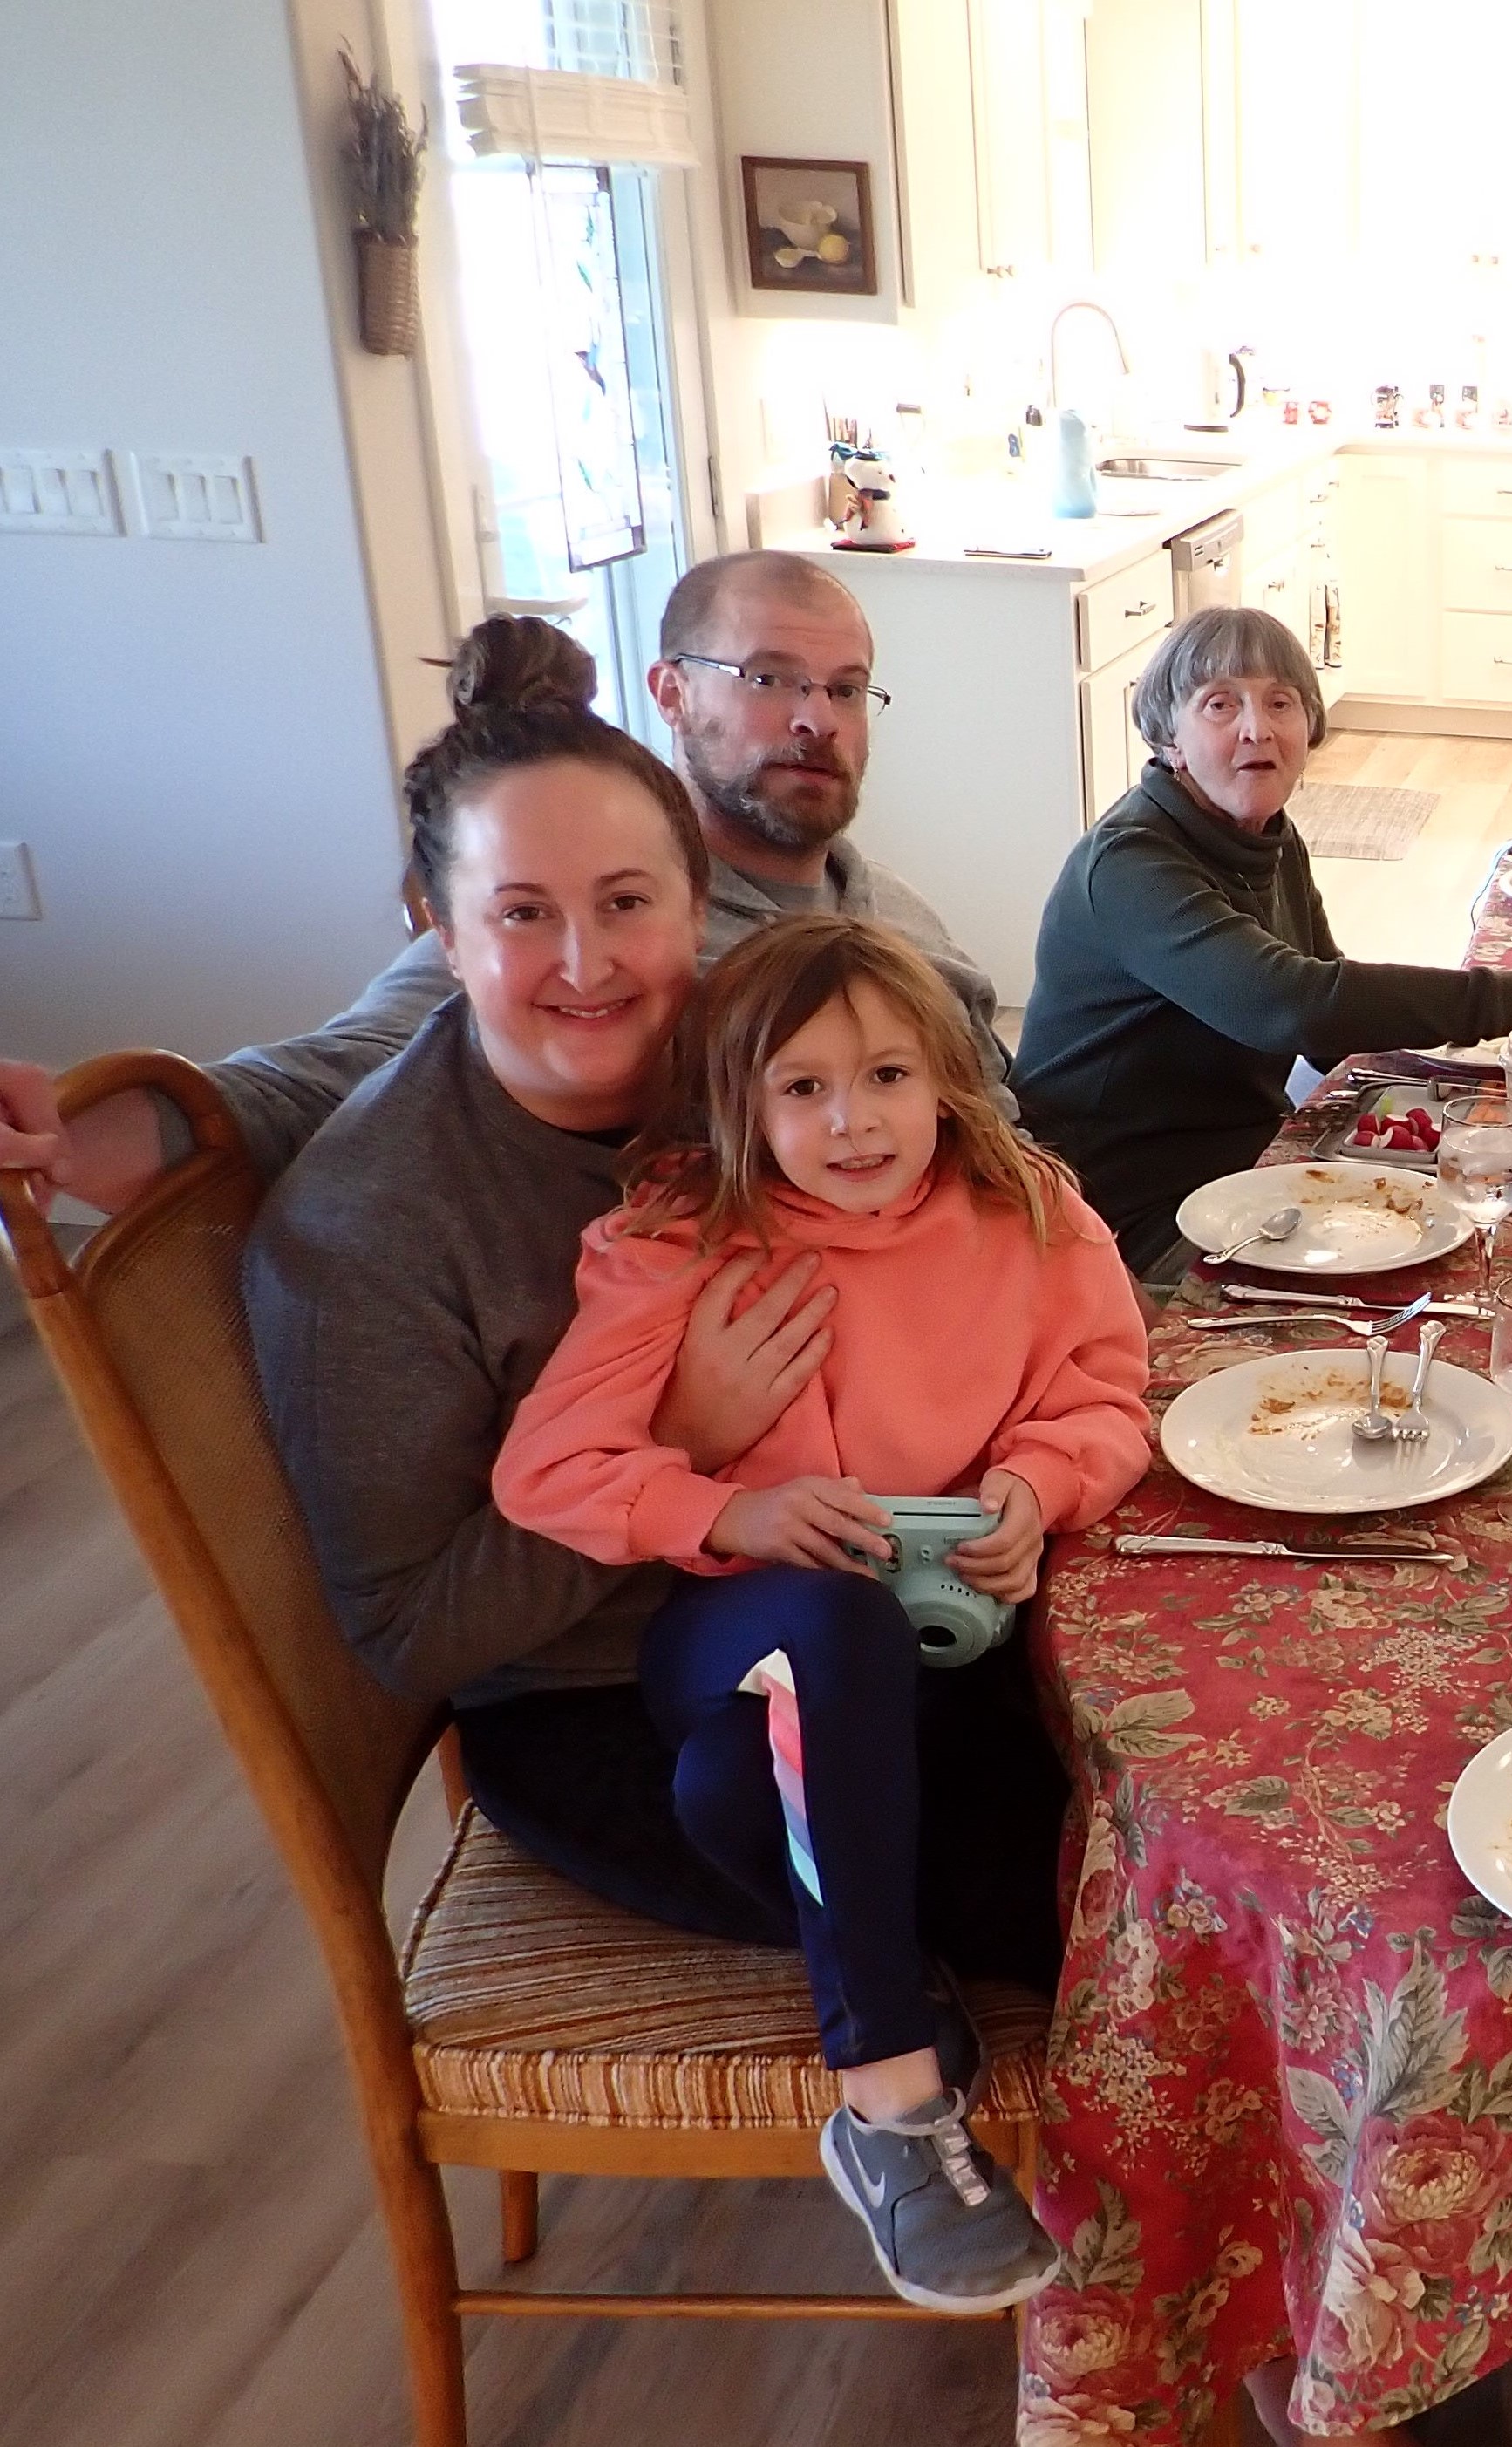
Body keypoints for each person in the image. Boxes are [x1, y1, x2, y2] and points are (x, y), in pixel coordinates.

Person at [241, 621, 1082, 2314]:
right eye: (520, 914)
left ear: (701, 903)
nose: (586, 963)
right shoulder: (373, 1237)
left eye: (627, 901)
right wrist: (683, 1444)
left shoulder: (755, 1069)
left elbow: (970, 1188)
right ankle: (1074, 2210)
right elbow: (412, 1632)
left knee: (1199, 1811)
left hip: (908, 1622)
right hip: (617, 1719)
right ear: (434, 930)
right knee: (1127, 1921)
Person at [491, 911, 1151, 2313]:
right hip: (736, 1629)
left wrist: (1037, 1483)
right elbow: (545, 1467)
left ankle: (905, 1959)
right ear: (742, 1103)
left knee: (735, 1788)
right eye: (804, 1087)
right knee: (829, 1625)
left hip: (934, 1663)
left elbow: (1105, 1391)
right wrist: (726, 1511)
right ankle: (890, 2099)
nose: (854, 1120)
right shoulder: (680, 1238)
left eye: (888, 1076)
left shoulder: (1026, 1209)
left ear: (946, 1079)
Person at [3, 549, 1004, 1232]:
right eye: (769, 679)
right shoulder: (609, 950)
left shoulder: (896, 912)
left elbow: (1000, 1117)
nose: (815, 720)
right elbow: (325, 1079)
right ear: (670, 692)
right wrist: (62, 1135)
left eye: (843, 688)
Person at [1014, 607, 1512, 1280]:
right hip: (1111, 1218)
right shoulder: (1131, 863)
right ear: (1170, 740)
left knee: (1487, 1217)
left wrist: (1464, 1095)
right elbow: (1293, 1004)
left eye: (1280, 702)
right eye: (1220, 704)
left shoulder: (1267, 837)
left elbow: (1328, 1012)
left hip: (1246, 1169)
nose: (1257, 728)